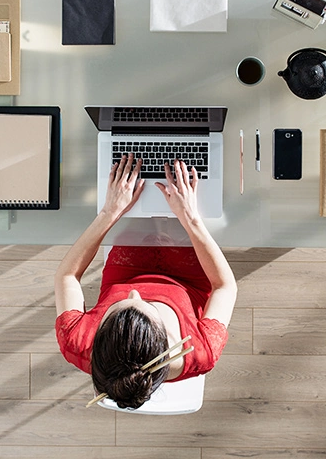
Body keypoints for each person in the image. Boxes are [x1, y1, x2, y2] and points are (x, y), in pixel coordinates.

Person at [54, 154, 237, 409]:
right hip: (191, 268)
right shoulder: (200, 352)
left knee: (133, 183)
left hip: (128, 260)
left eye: (115, 310)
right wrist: (190, 217)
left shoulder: (79, 344)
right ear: (166, 341)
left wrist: (111, 211)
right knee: (218, 190)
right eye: (147, 306)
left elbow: (67, 276)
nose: (133, 294)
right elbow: (225, 287)